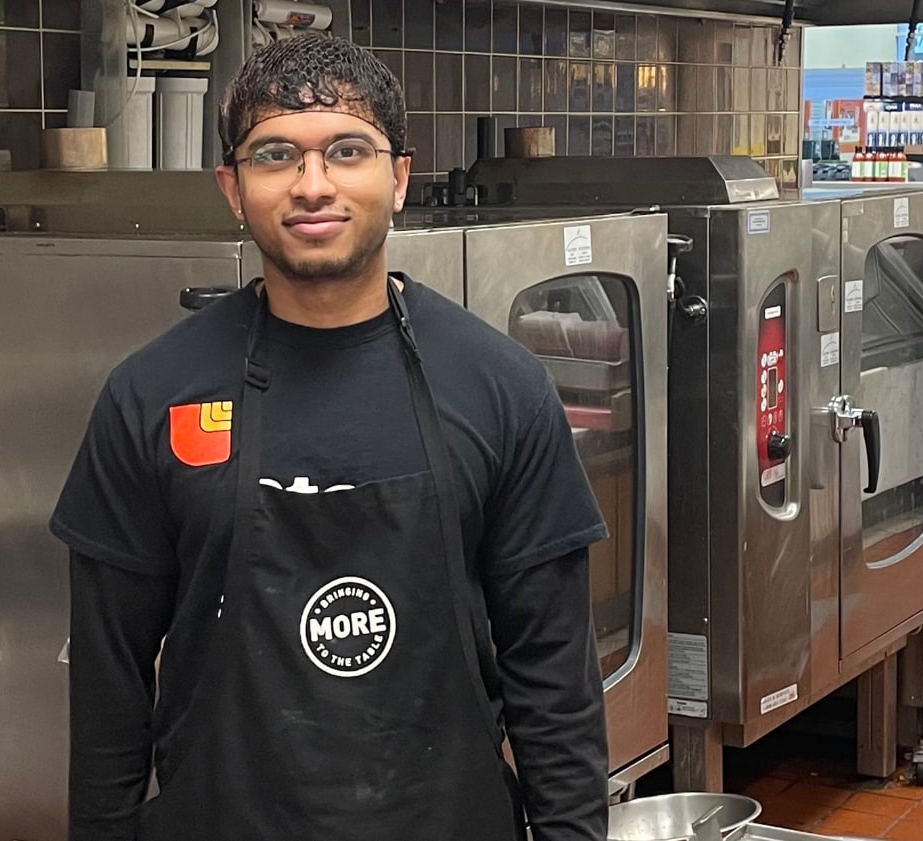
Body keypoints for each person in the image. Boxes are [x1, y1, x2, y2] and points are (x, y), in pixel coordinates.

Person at [51, 32, 609, 841]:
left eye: (346, 150)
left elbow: (554, 680)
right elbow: (109, 687)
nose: (313, 185)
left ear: (400, 175)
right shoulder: (150, 396)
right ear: (233, 188)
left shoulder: (499, 389)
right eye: (276, 155)